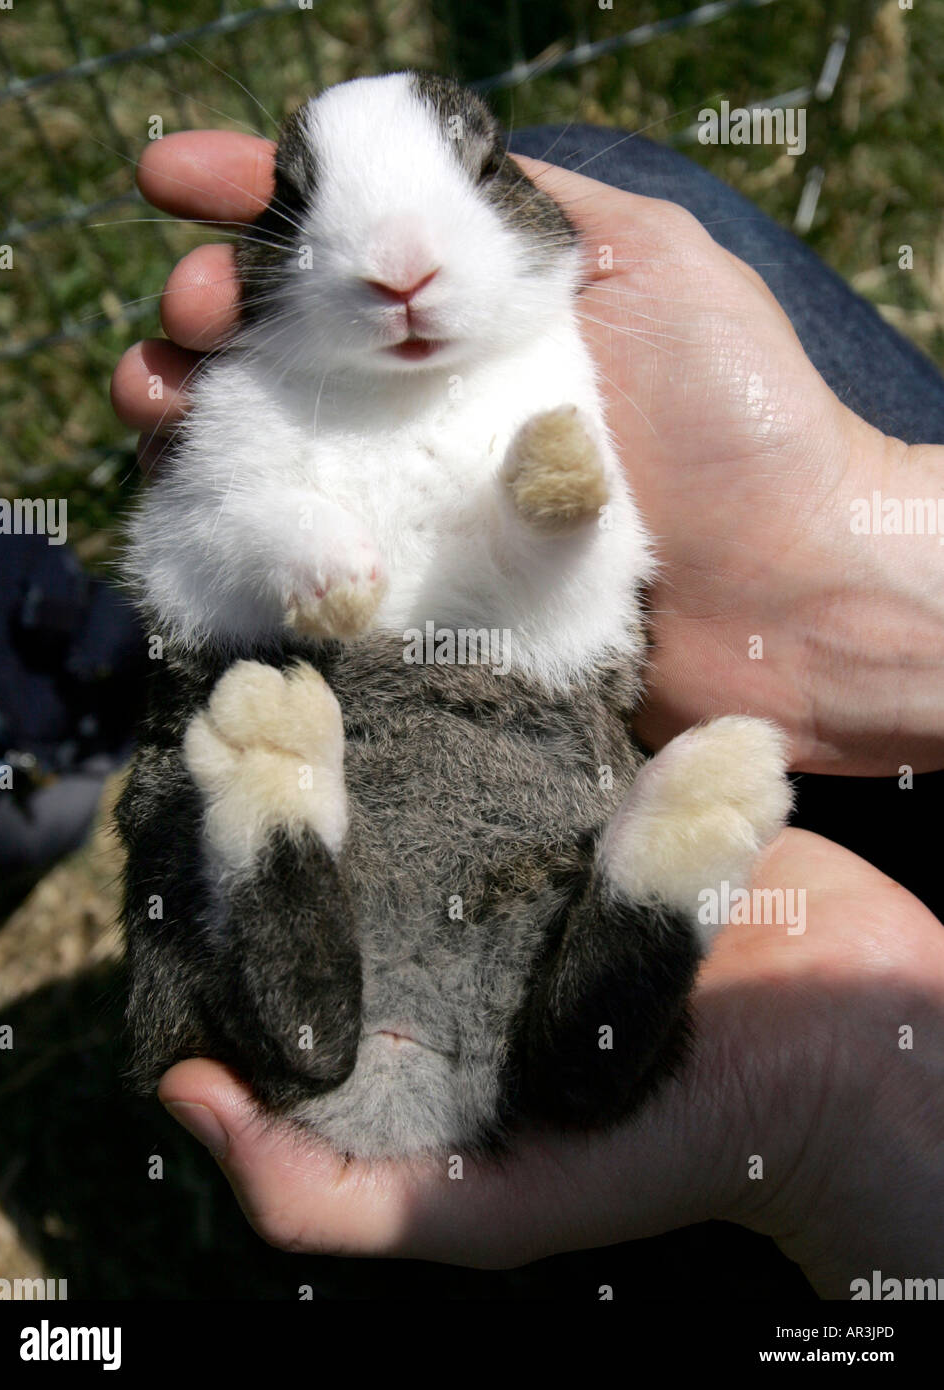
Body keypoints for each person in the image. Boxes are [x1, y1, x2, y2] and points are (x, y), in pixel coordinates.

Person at [110, 123, 944, 1296]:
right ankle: (314, 851)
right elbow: (197, 555)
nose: (399, 272)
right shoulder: (260, 390)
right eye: (308, 205)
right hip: (333, 722)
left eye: (475, 171)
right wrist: (296, 541)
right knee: (230, 813)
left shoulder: (551, 363)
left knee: (561, 1059)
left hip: (511, 811)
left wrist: (546, 519)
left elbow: (579, 618)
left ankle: (312, 844)